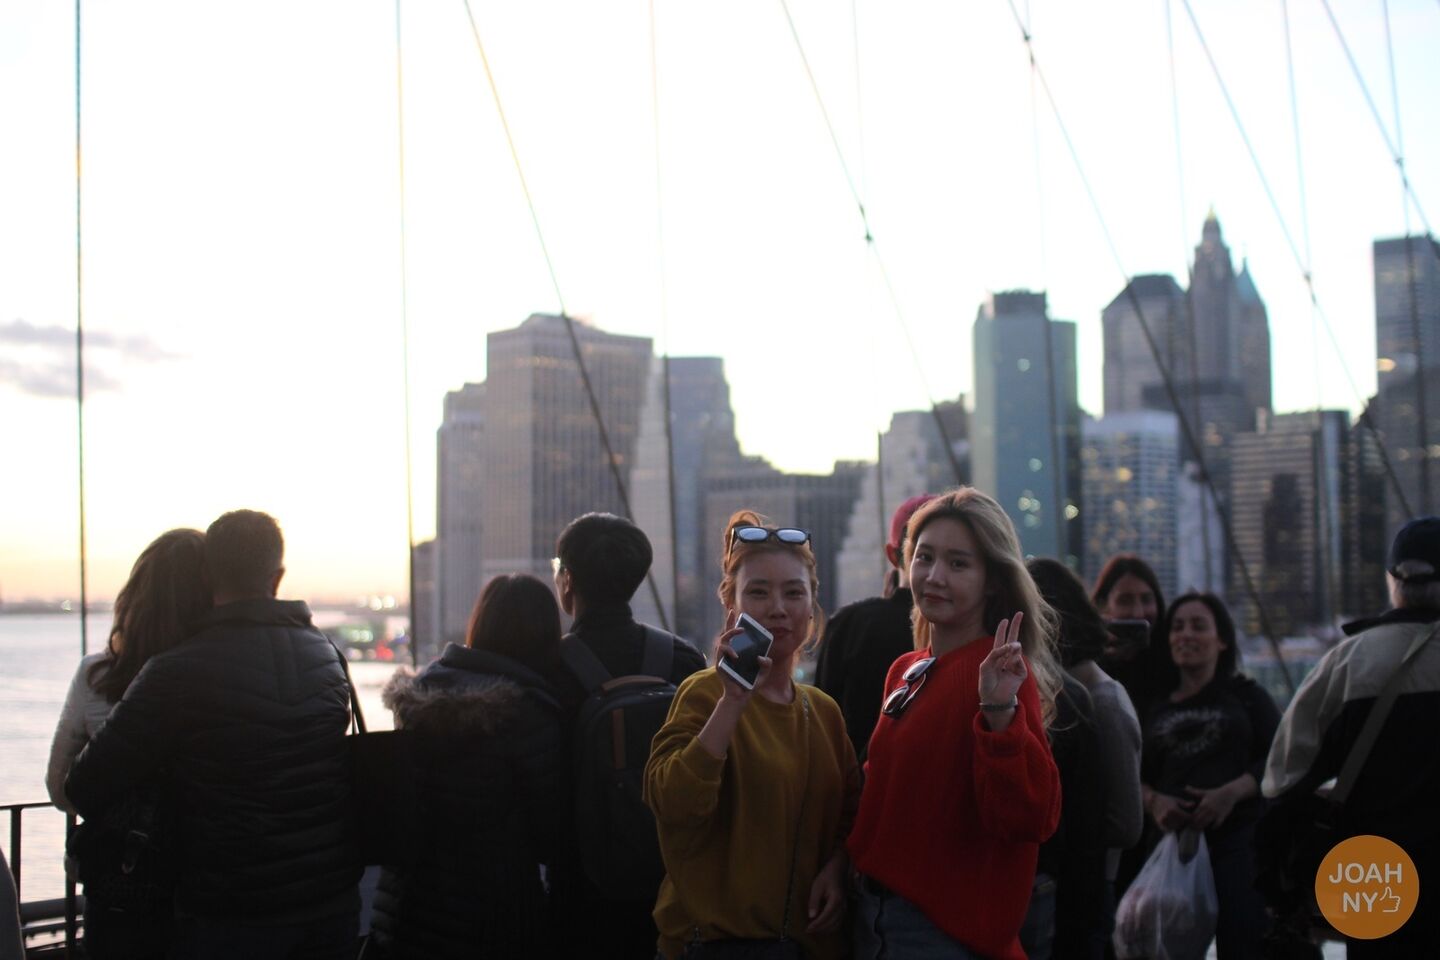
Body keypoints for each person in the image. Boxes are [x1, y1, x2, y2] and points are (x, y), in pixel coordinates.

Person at [66, 510, 360, 960]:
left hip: (231, 914)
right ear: (277, 576)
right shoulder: (326, 655)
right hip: (329, 908)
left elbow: (84, 787)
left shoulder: (174, 671)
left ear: (207, 575)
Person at [848, 487, 1063, 960]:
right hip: (873, 916)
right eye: (924, 557)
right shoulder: (906, 669)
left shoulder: (1000, 676)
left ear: (993, 581)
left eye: (958, 563)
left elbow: (1030, 816)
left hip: (940, 934)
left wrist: (1000, 713)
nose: (935, 576)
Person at [645, 511, 862, 959]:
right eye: (758, 592)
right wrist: (733, 702)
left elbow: (850, 814)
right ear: (733, 606)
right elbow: (674, 805)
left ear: (812, 605)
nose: (778, 608)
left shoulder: (823, 712)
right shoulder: (704, 694)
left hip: (810, 946)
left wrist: (838, 867)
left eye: (793, 592)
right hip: (716, 945)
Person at [1260, 516, 1440, 958]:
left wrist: (1279, 892)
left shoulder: (1346, 663)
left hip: (1373, 875)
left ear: (1393, 581)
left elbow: (1283, 784)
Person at [370, 574, 565, 959]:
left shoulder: (420, 696)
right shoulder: (529, 713)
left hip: (407, 907)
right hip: (492, 914)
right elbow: (551, 832)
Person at [545, 512, 706, 956]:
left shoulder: (547, 667)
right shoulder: (682, 660)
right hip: (672, 884)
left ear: (568, 580)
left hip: (582, 885)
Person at [45, 528, 210, 960]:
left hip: (125, 883)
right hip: (212, 885)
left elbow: (60, 787)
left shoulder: (96, 676)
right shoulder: (225, 679)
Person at [1139, 592, 1279, 960]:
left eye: (1199, 626)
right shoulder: (1154, 706)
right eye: (1178, 627)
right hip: (1170, 853)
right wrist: (1154, 802)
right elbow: (1134, 774)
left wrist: (1232, 792)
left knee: (1244, 944)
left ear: (1222, 640)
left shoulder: (1247, 697)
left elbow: (1280, 758)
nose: (1186, 634)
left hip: (1239, 848)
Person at [1025, 558, 1143, 960]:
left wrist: (1067, 828)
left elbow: (1125, 824)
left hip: (1087, 888)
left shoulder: (1102, 701)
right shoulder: (1061, 694)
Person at [815, 493, 937, 760]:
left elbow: (820, 729)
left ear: (892, 555)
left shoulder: (849, 625)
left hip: (855, 782)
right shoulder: (968, 633)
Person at [1091, 554, 1177, 722]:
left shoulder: (1176, 659)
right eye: (1125, 601)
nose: (1138, 612)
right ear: (1103, 605)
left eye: (1146, 599)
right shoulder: (1089, 663)